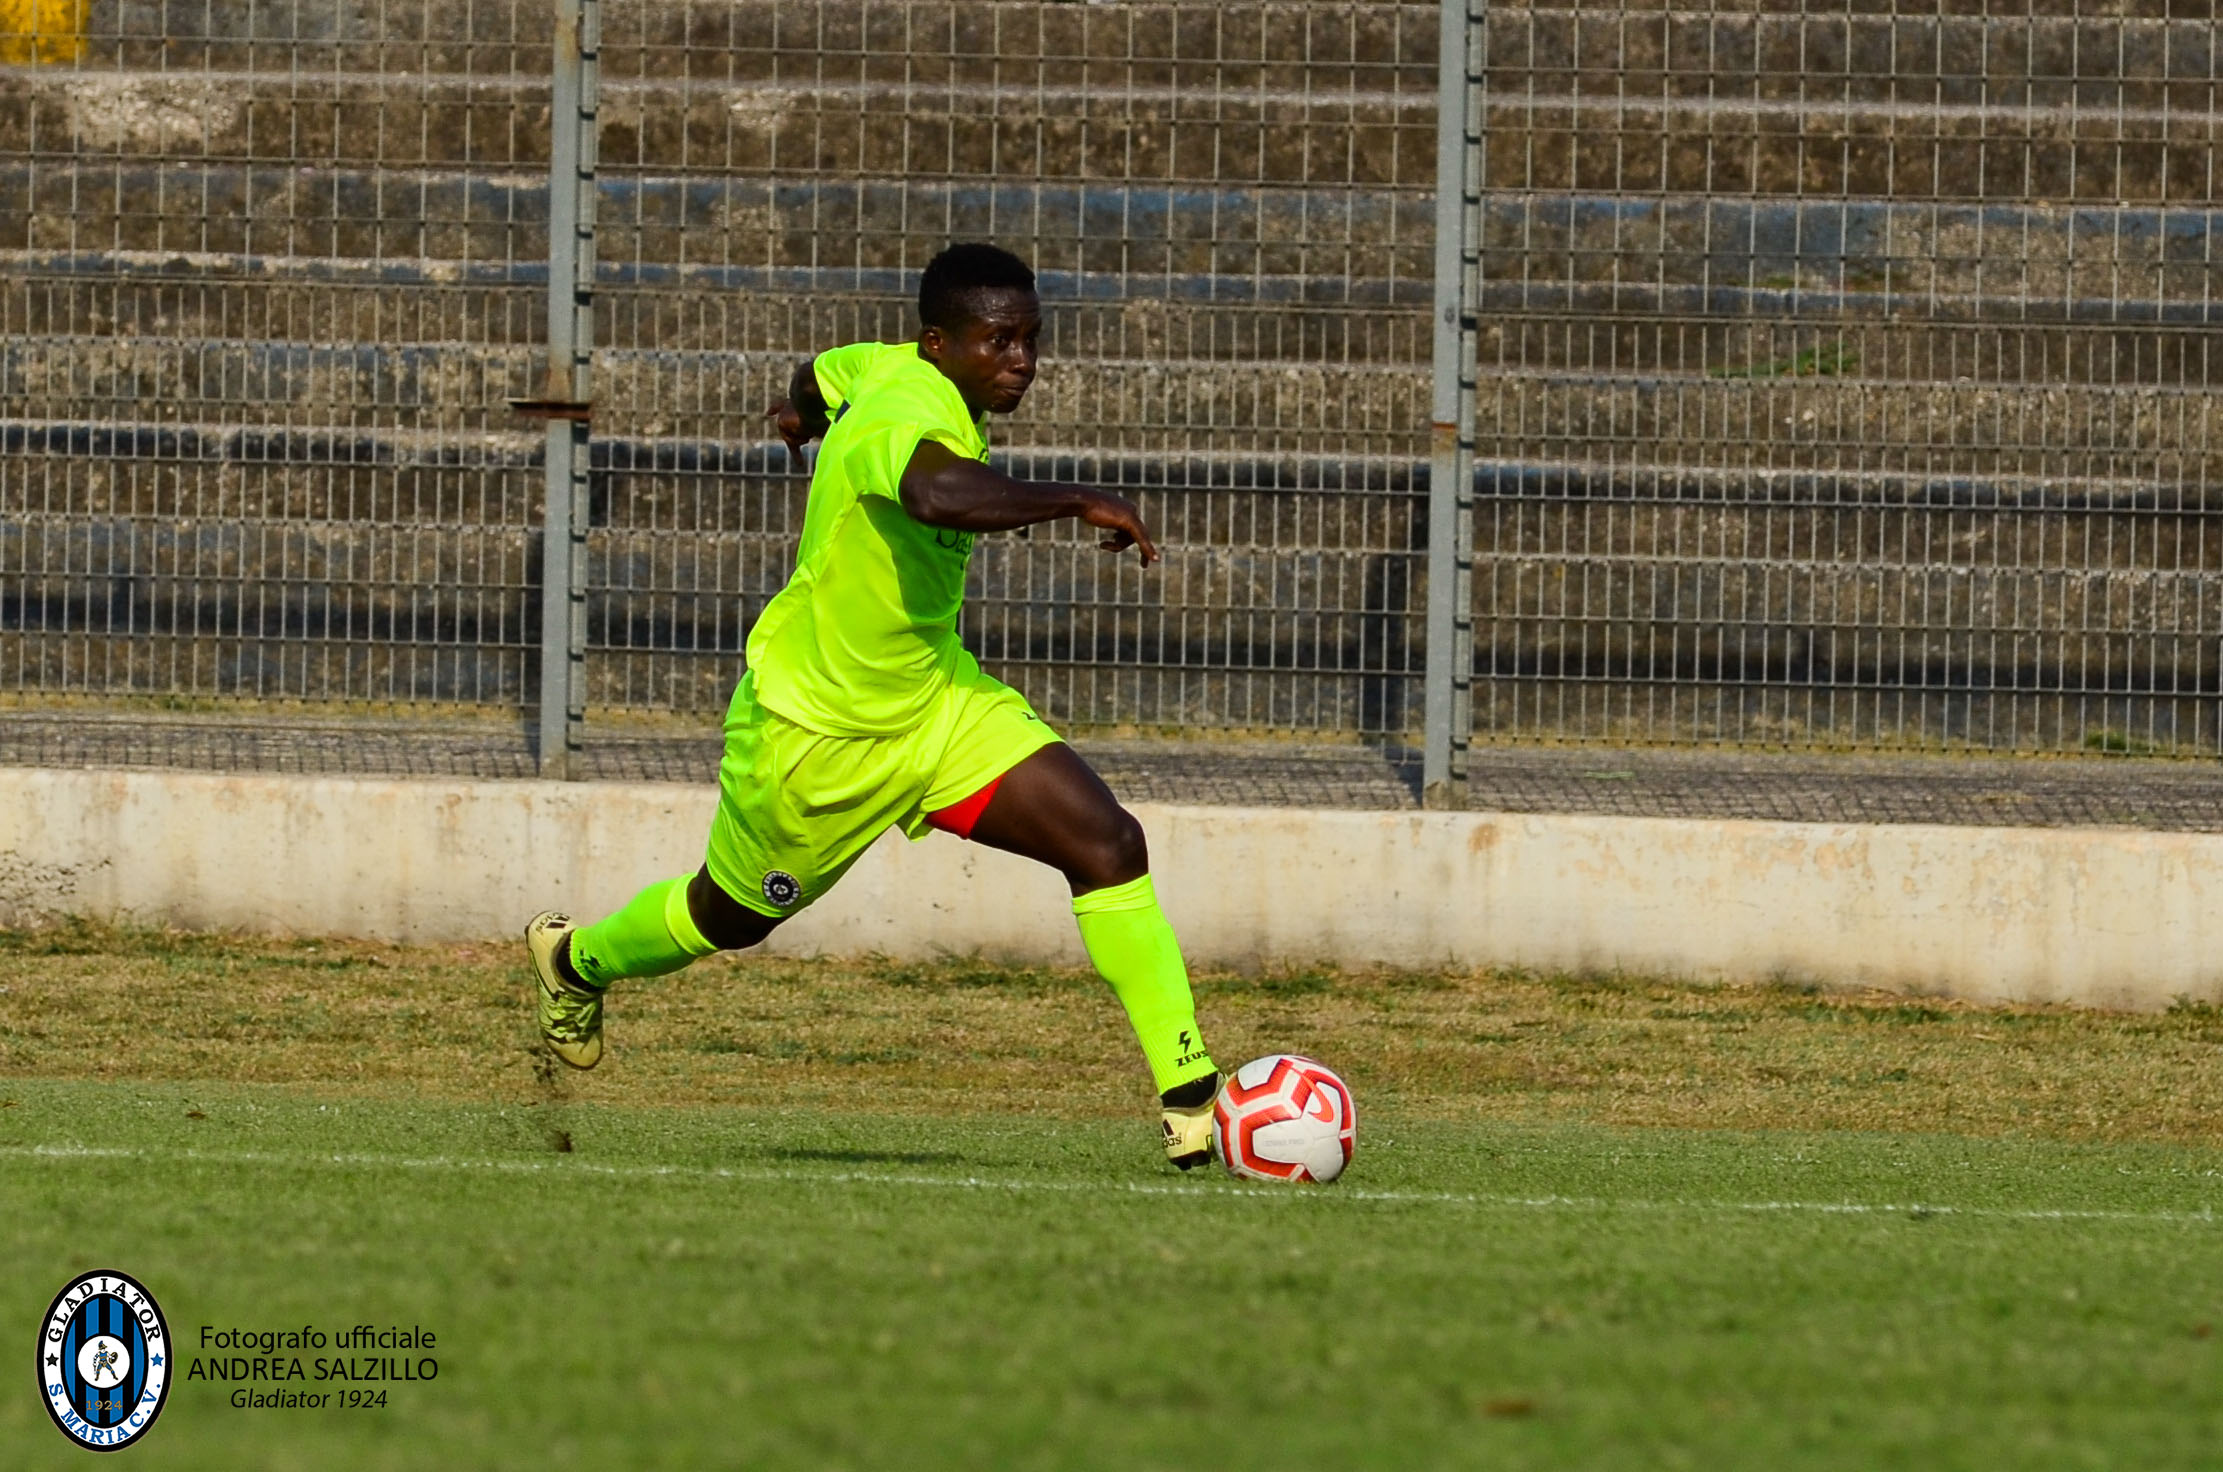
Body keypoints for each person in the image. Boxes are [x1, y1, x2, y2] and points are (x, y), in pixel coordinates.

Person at [526, 243, 1222, 1167]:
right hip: (816, 736)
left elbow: (822, 372)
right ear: (940, 343)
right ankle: (575, 961)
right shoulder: (907, 406)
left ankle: (1192, 1095)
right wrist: (1077, 498)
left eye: (1029, 339)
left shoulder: (886, 366)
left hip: (935, 708)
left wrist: (797, 410)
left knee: (1107, 842)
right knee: (729, 918)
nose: (1020, 361)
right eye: (997, 342)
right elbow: (936, 493)